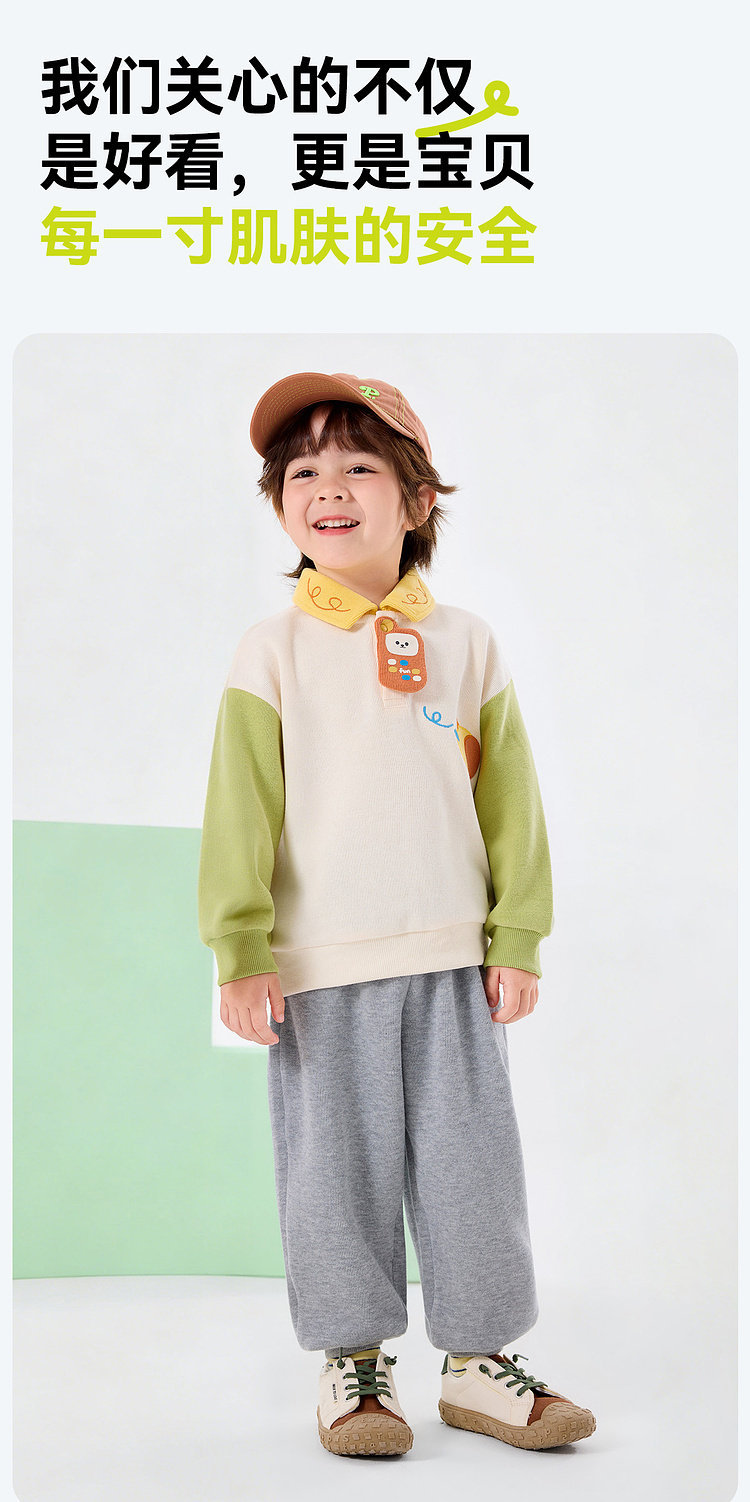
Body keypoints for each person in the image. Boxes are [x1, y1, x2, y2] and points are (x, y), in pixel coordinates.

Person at [197, 371, 596, 1457]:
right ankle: (353, 1363)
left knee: (474, 1167)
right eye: (302, 472)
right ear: (281, 504)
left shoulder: (466, 642)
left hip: (454, 959)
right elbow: (241, 809)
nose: (328, 488)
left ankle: (477, 1365)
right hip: (317, 970)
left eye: (359, 466)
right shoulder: (271, 650)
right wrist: (239, 947)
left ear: (418, 500)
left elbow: (510, 800)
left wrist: (518, 933)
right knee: (333, 1173)